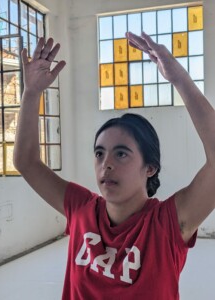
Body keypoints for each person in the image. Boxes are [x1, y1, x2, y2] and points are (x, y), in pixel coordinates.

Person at [14, 32, 215, 300]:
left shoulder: (168, 224)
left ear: (150, 168)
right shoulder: (81, 208)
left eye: (121, 154)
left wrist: (180, 79)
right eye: (99, 153)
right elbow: (26, 162)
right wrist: (31, 92)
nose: (106, 164)